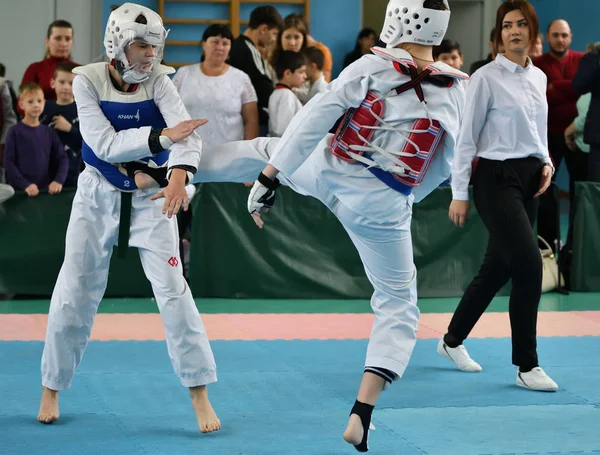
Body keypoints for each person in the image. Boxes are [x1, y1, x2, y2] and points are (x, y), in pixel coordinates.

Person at [168, 0, 466, 450]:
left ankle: (168, 168)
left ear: (398, 18)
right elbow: (447, 165)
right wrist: (408, 198)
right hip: (381, 203)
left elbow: (314, 118)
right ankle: (362, 412)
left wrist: (271, 177)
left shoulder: (372, 65)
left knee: (263, 148)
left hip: (329, 166)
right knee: (399, 305)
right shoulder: (455, 89)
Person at [37, 3, 221, 435]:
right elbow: (101, 144)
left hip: (152, 197)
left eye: (155, 47)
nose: (149, 56)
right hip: (98, 193)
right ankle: (52, 386)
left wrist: (179, 177)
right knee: (75, 289)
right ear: (117, 44)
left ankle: (199, 393)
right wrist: (160, 138)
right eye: (141, 46)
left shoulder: (160, 81)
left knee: (174, 292)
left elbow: (187, 136)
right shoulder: (88, 79)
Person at [439, 0, 558, 393]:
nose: (514, 32)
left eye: (521, 25)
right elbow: (466, 139)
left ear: (532, 31)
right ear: (498, 34)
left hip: (531, 178)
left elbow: (539, 130)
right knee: (528, 264)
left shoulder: (538, 78)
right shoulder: (485, 78)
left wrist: (547, 163)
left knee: (497, 269)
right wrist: (459, 194)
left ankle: (451, 340)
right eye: (507, 26)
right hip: (495, 178)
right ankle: (527, 365)